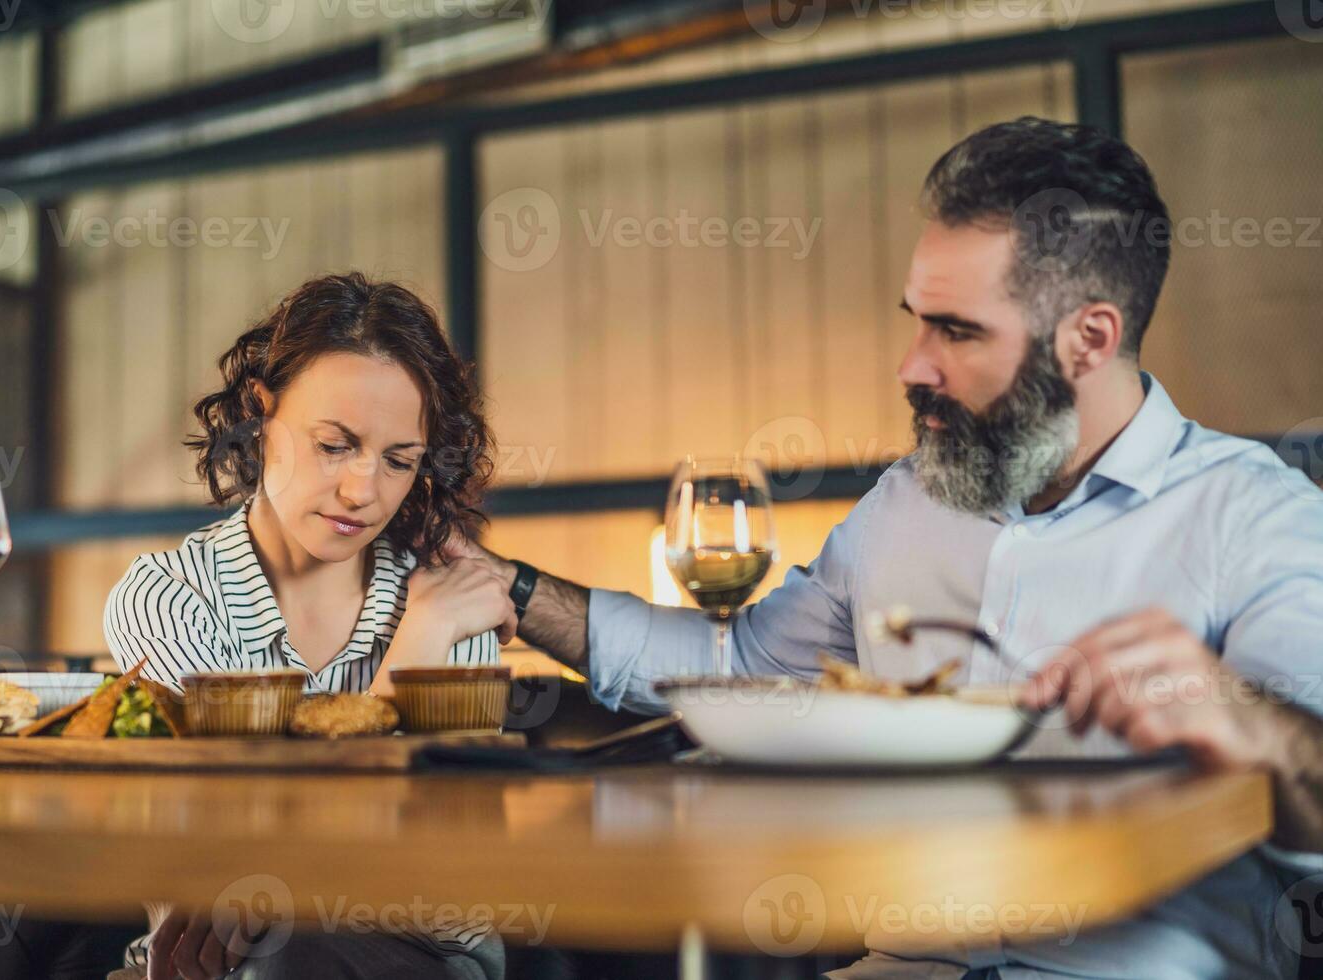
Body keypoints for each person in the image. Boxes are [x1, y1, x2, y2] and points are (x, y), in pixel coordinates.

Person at [455, 117, 1323, 978]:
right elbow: (742, 668)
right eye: (916, 322)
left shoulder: (1252, 515)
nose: (912, 366)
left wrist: (1251, 723)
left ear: (1089, 339)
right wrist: (520, 591)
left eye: (957, 330)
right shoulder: (907, 502)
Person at [104, 273, 516, 980]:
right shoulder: (167, 598)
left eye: (397, 461)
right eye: (335, 444)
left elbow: (457, 905)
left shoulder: (448, 610)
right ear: (261, 414)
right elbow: (219, 850)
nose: (363, 491)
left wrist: (417, 639)